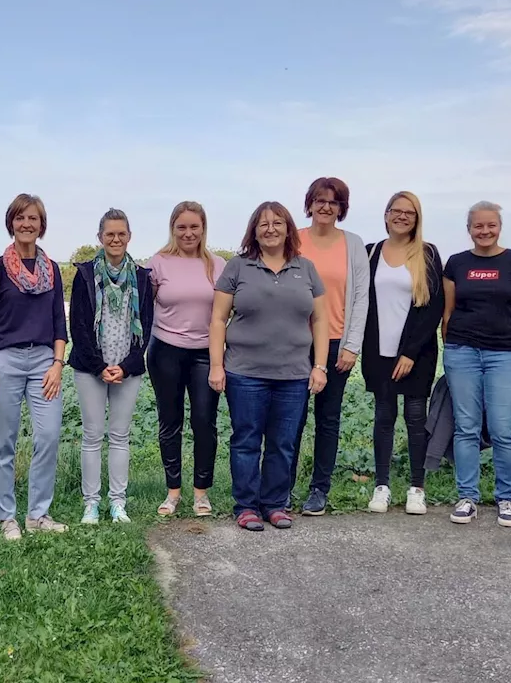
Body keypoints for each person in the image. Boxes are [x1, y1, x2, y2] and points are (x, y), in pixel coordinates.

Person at [210, 201, 329, 532]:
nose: (271, 228)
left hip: (293, 374)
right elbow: (219, 319)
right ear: (254, 231)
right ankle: (246, 506)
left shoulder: (306, 269)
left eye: (278, 222)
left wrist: (319, 366)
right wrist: (216, 366)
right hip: (244, 372)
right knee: (246, 439)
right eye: (263, 224)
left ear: (289, 229)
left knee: (283, 442)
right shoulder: (237, 267)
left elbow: (319, 320)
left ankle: (275, 504)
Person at [0, 193, 69, 540]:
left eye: (33, 218)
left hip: (45, 360)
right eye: (20, 218)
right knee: (4, 441)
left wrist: (58, 363)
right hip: (5, 360)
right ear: (11, 223)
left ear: (41, 225)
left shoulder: (52, 269)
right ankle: (6, 518)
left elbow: (59, 324)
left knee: (48, 435)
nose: (27, 224)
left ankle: (38, 514)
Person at [442, 201, 511, 527]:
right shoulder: (456, 264)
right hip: (462, 352)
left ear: (499, 226)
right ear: (468, 229)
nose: (484, 231)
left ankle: (506, 498)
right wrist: (450, 348)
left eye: (490, 226)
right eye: (478, 226)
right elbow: (448, 312)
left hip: (506, 355)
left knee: (502, 429)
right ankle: (467, 496)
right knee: (466, 427)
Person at [67, 208, 155, 524]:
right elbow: (77, 325)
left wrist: (128, 365)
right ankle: (91, 503)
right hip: (91, 368)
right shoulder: (86, 274)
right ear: (100, 238)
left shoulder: (143, 278)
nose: (115, 239)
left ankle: (118, 502)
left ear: (129, 236)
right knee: (92, 436)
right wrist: (99, 366)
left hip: (127, 368)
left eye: (121, 234)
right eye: (109, 234)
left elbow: (146, 326)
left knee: (119, 435)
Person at [290, 177, 370, 516]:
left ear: (342, 208)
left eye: (333, 202)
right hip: (294, 342)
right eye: (320, 200)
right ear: (309, 204)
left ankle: (318, 489)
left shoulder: (353, 244)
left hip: (336, 341)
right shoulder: (294, 240)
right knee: (289, 418)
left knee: (328, 419)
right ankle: (282, 487)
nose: (326, 207)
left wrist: (352, 346)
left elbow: (361, 297)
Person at [361, 192, 444, 515]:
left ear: (417, 218)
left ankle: (416, 488)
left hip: (416, 354)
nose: (402, 216)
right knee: (383, 417)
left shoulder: (427, 253)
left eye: (409, 212)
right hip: (378, 352)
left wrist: (410, 352)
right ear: (385, 215)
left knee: (414, 417)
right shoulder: (371, 253)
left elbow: (433, 306)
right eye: (396, 211)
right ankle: (381, 486)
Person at [147, 202, 228, 518]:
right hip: (165, 350)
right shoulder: (159, 263)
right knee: (170, 422)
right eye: (182, 227)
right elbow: (144, 307)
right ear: (173, 229)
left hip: (205, 354)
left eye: (194, 226)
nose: (188, 233)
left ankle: (201, 494)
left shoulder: (218, 265)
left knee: (204, 422)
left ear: (203, 229)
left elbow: (226, 312)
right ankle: (173, 493)